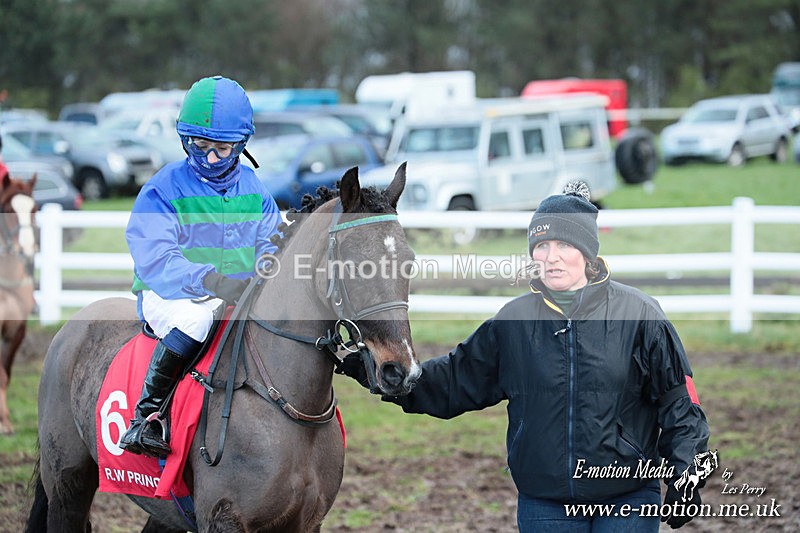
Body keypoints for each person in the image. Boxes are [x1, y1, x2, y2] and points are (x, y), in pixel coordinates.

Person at [340, 181, 712, 531]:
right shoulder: (513, 323)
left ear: (587, 252)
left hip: (626, 500)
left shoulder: (640, 316)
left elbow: (680, 402)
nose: (551, 257)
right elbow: (454, 380)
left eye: (564, 245)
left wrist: (686, 469)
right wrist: (380, 372)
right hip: (544, 504)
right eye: (541, 246)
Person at [119, 75, 282, 457]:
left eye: (222, 149)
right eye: (200, 145)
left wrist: (266, 274)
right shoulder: (163, 188)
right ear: (184, 139)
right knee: (195, 321)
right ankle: (145, 418)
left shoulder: (255, 189)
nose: (209, 157)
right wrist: (211, 280)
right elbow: (156, 257)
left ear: (241, 145)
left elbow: (272, 244)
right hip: (170, 294)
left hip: (234, 295)